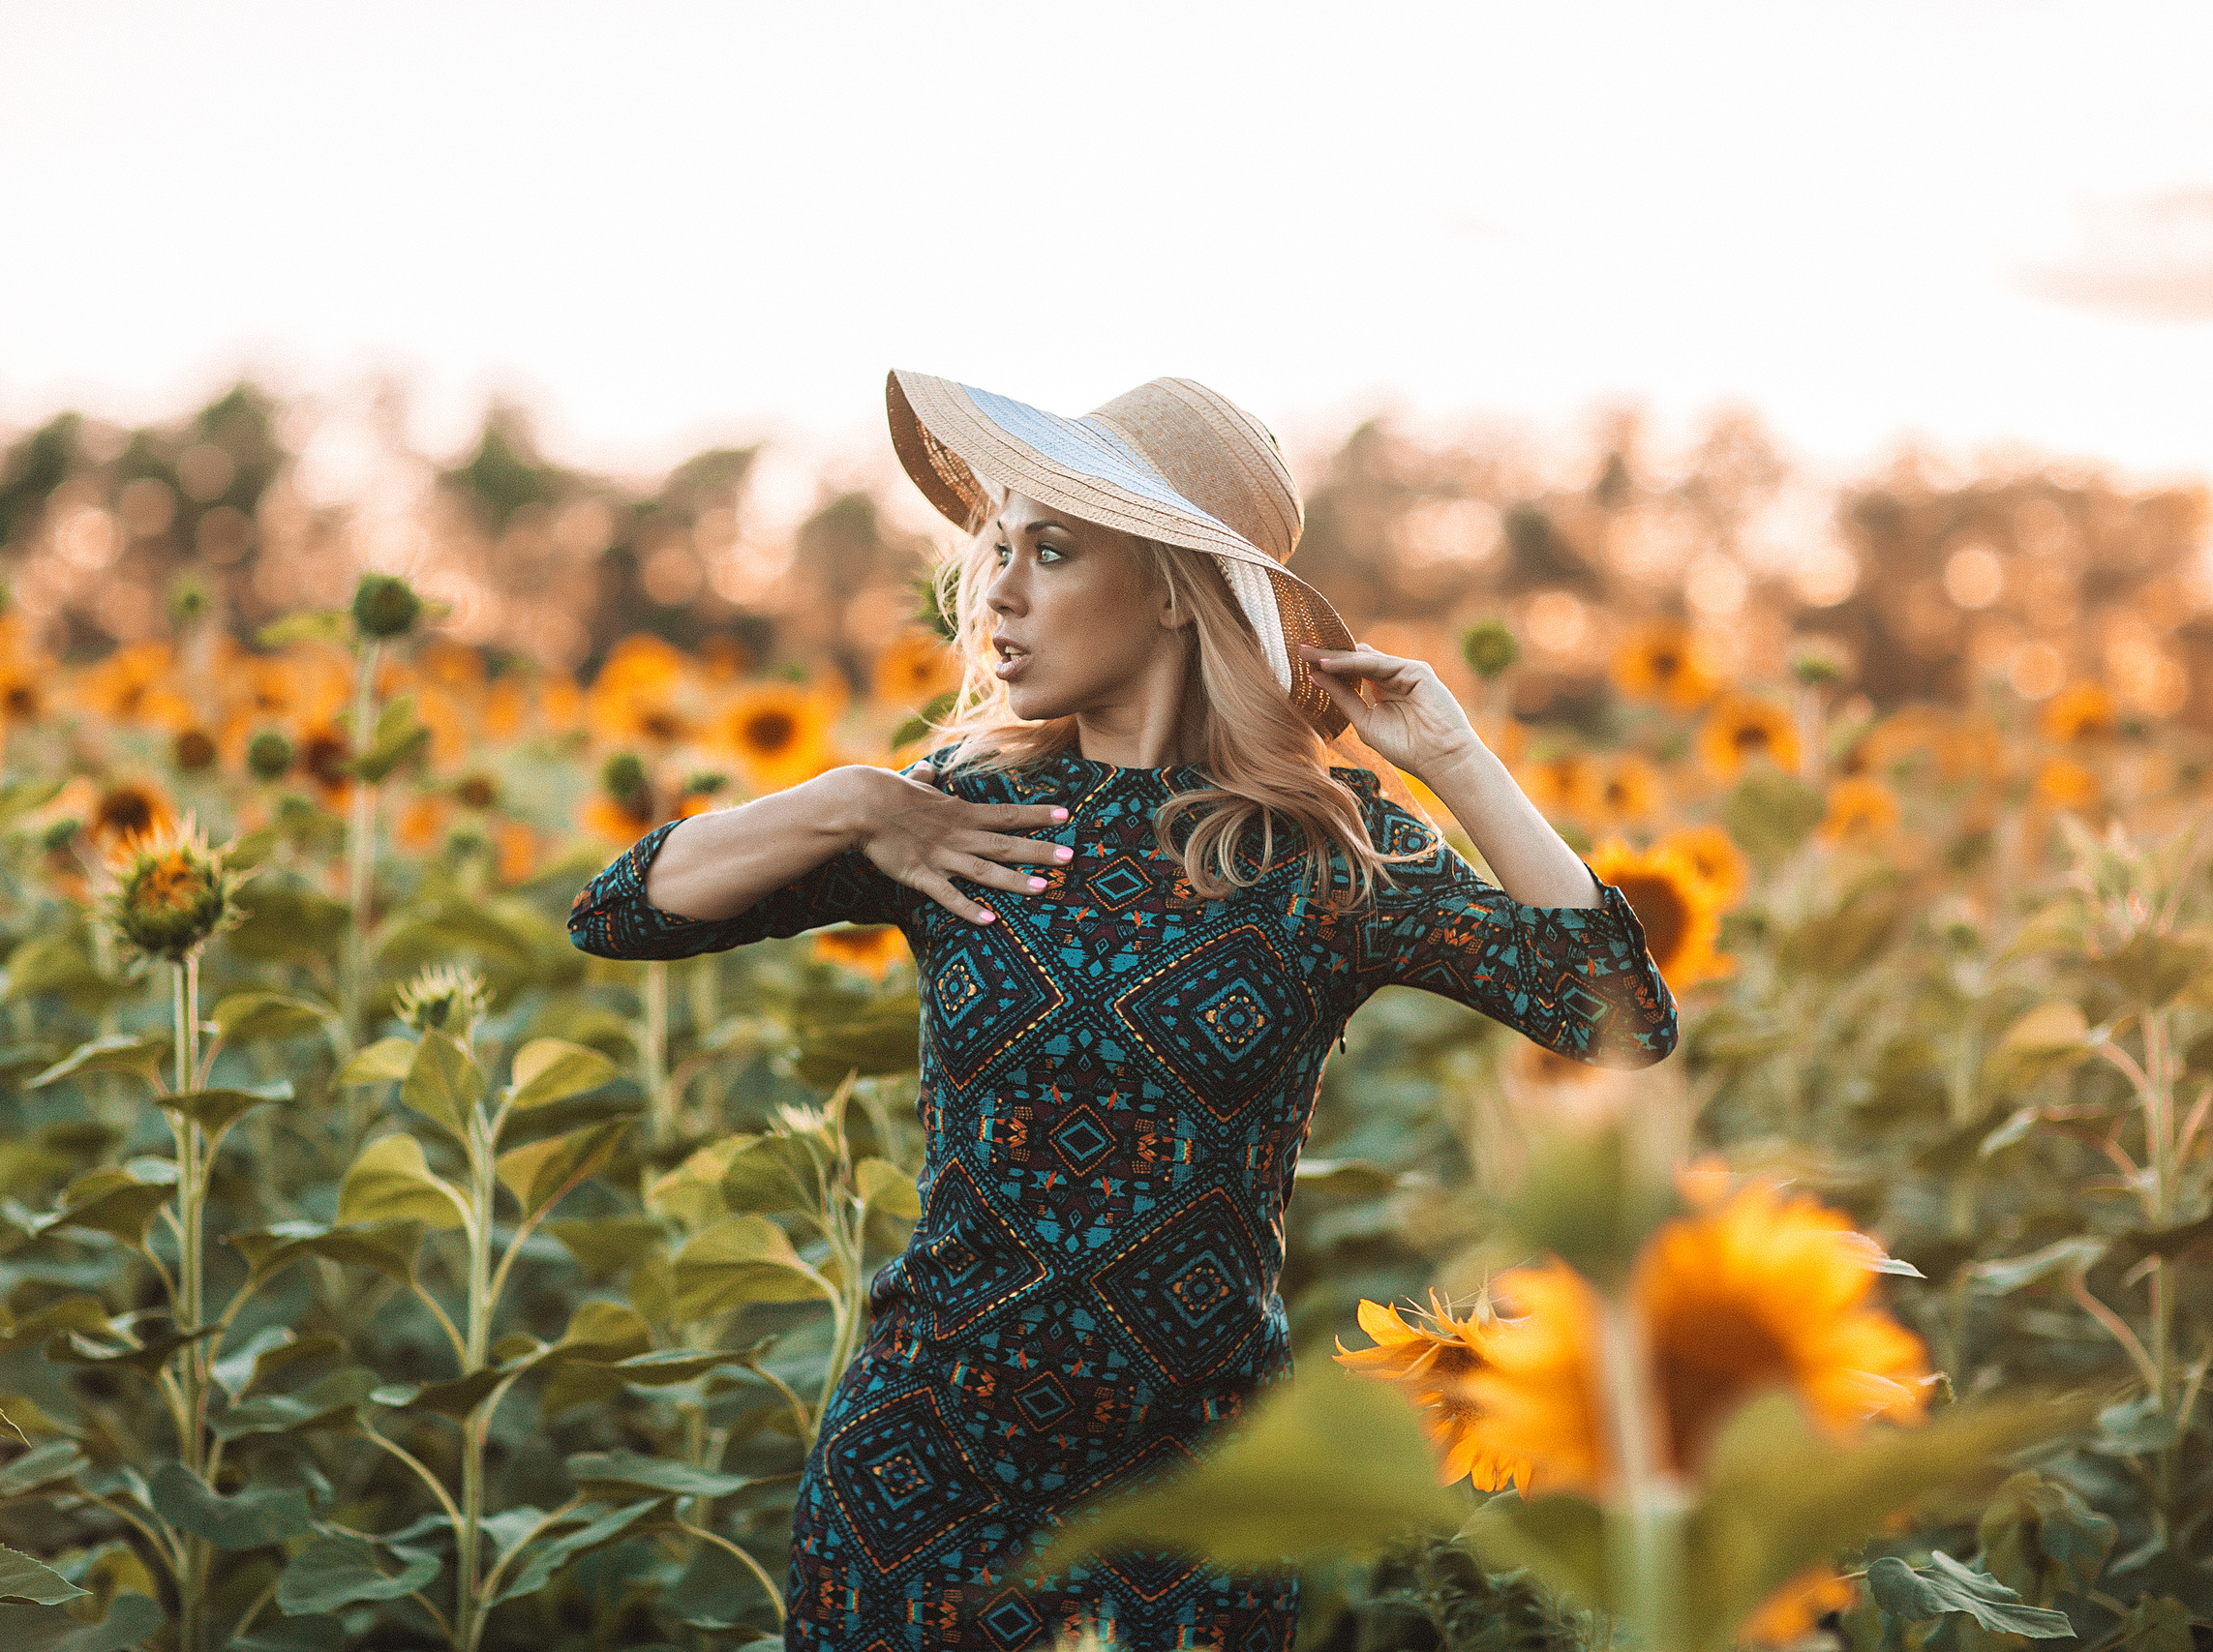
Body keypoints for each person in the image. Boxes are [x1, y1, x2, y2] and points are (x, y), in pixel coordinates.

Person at [568, 371, 1679, 1651]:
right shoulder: (966, 815)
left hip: (1193, 1516)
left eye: (1051, 551)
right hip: (916, 1487)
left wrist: (1457, 762)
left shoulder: (1322, 856)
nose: (997, 594)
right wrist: (855, 803)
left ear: (1170, 588)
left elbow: (1615, 1016)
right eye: (997, 549)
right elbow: (623, 911)